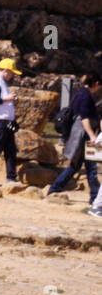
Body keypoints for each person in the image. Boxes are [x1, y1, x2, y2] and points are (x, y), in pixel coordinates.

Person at [47, 72, 101, 203]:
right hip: (84, 136)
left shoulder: (82, 93)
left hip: (82, 135)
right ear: (97, 84)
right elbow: (84, 118)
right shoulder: (85, 95)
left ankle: (55, 189)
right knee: (91, 166)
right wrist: (92, 136)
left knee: (76, 165)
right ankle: (95, 197)